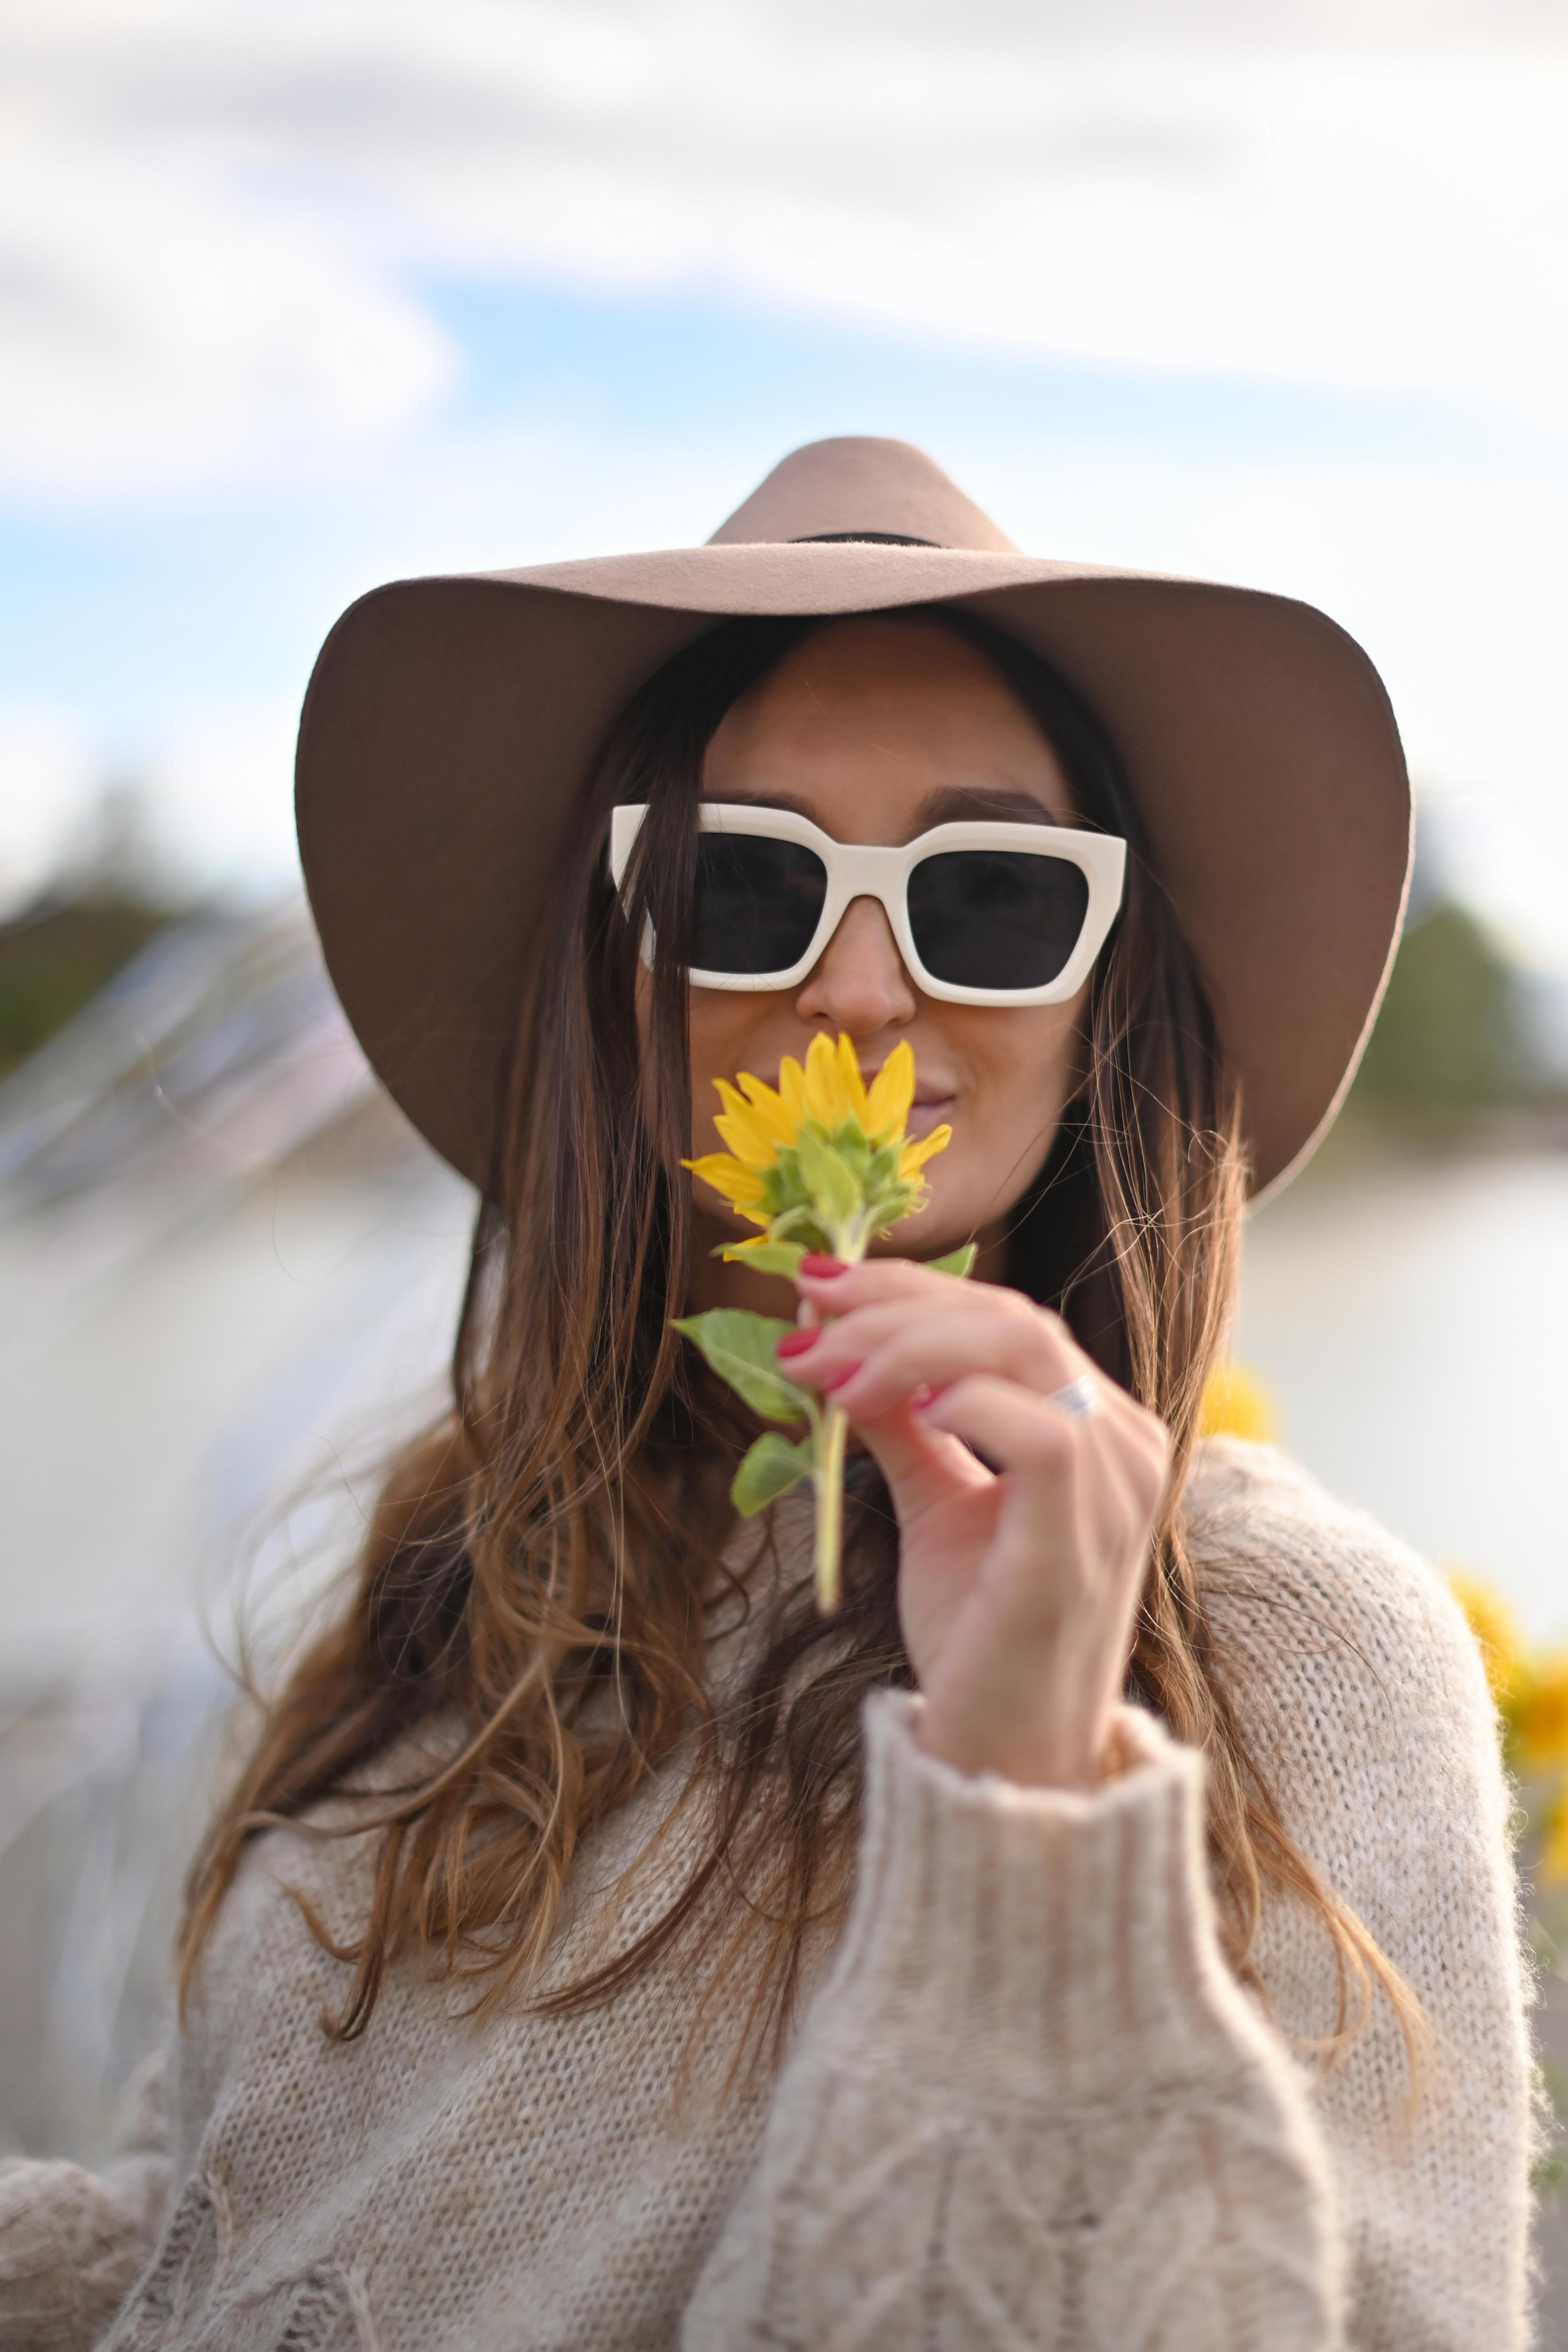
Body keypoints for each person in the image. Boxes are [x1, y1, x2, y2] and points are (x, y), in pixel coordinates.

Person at [0, 439, 1531, 2349]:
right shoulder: (456, 1570)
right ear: (610, 979)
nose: (865, 987)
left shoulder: (1297, 1649)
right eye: (743, 885)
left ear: (1103, 996)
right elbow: (235, 2225)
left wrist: (1029, 1801)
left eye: (987, 899)